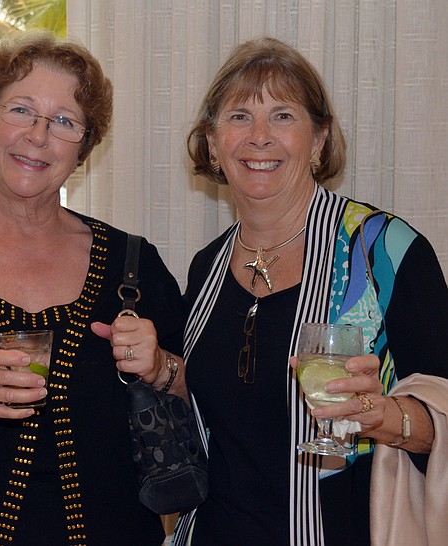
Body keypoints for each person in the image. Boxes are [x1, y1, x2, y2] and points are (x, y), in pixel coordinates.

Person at [0, 30, 187, 545]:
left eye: (64, 121)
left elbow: (199, 408)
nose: (38, 136)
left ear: (84, 146)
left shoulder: (134, 266)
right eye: (20, 110)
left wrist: (163, 369)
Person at [172, 36, 448, 545]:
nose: (259, 137)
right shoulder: (206, 267)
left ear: (318, 139)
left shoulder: (384, 252)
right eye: (238, 117)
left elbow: (443, 414)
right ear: (212, 143)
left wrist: (383, 415)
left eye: (282, 116)